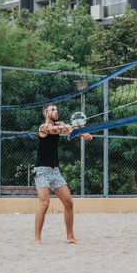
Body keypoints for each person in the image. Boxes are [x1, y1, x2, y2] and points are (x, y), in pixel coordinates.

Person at [34, 104, 92, 244]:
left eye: (56, 109)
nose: (56, 111)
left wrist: (82, 133)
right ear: (45, 113)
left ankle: (70, 237)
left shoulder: (59, 125)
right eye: (52, 110)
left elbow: (67, 129)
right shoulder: (43, 127)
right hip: (41, 170)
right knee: (44, 204)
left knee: (69, 202)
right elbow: (61, 130)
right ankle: (37, 238)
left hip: (55, 171)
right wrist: (73, 129)